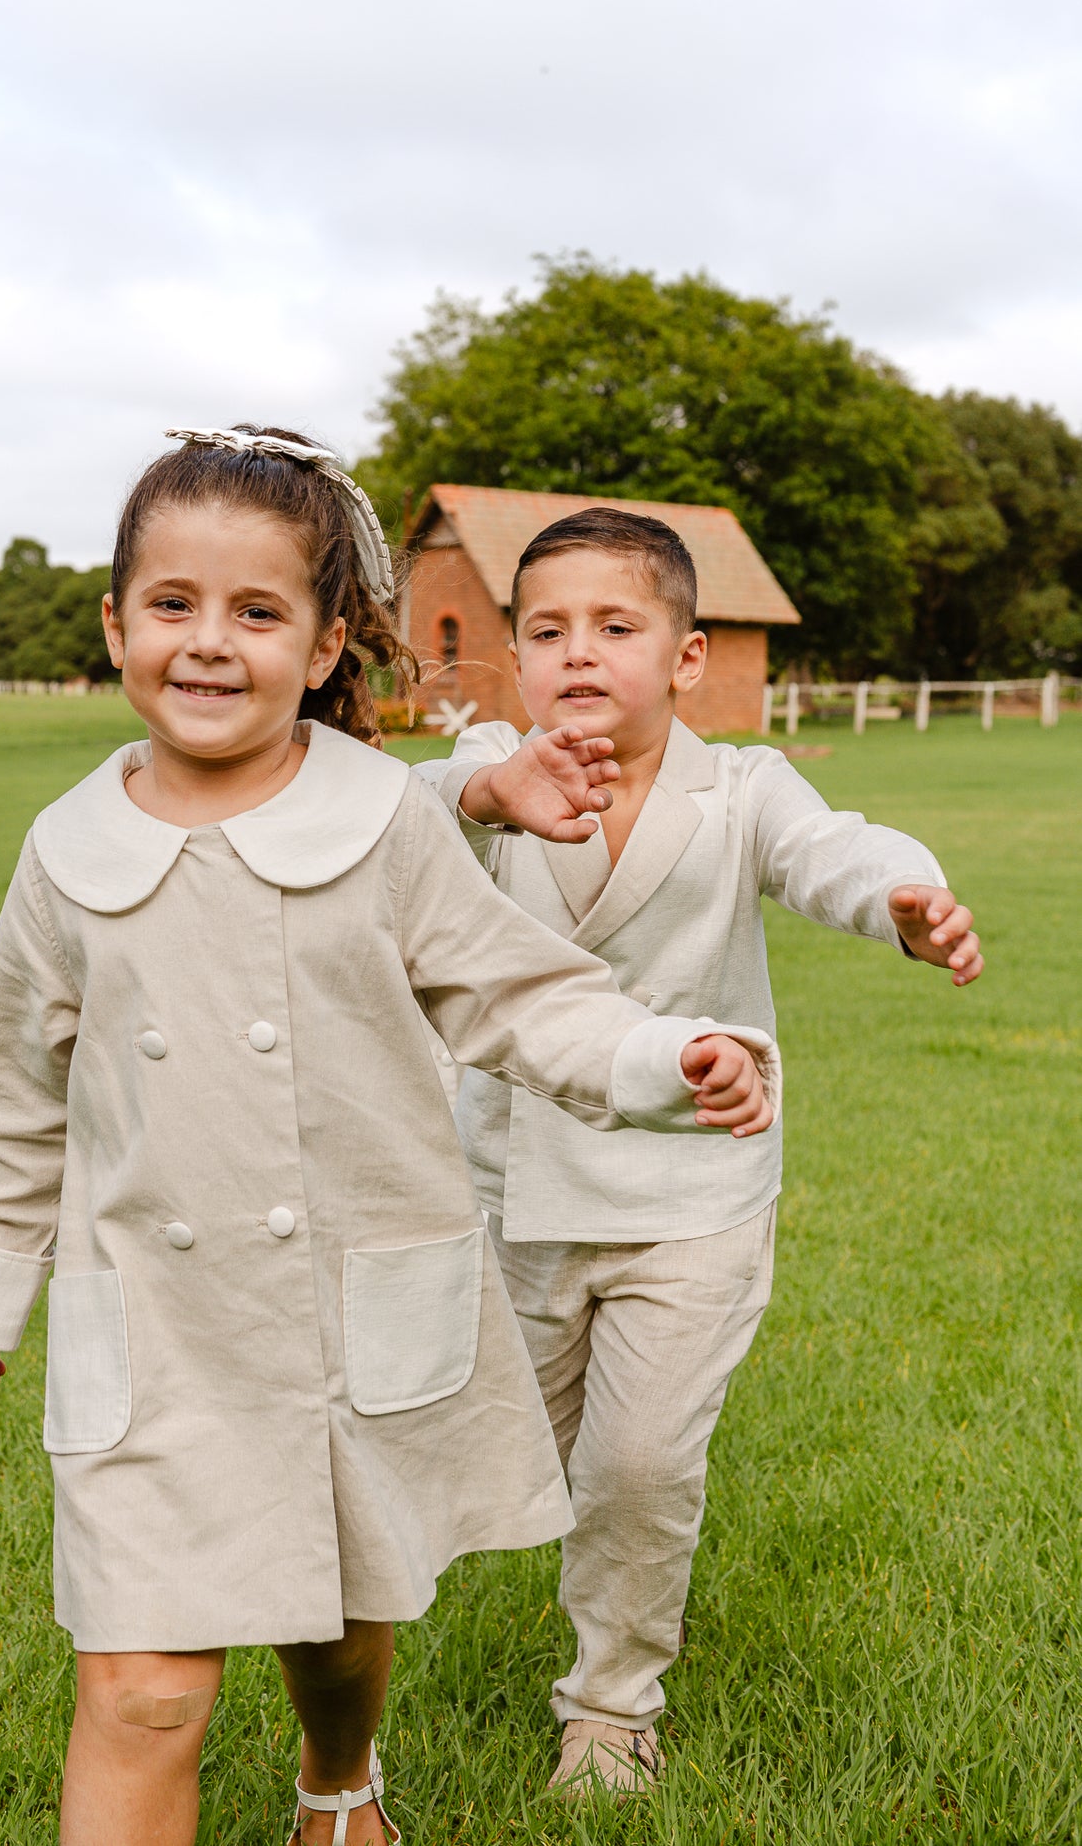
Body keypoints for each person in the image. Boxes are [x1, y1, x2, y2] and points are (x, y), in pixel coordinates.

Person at [0, 433, 779, 1846]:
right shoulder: (66, 850)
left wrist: (660, 1058)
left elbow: (521, 997)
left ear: (325, 644)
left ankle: (338, 1783)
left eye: (257, 611)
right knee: (144, 1694)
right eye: (173, 604)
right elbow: (13, 1086)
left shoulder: (378, 820)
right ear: (116, 626)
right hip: (153, 1327)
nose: (211, 642)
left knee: (334, 1620)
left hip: (340, 1306)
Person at [419, 503, 984, 1804]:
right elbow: (404, 817)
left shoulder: (741, 790)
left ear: (683, 658)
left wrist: (902, 899)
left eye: (614, 626)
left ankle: (610, 1704)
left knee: (638, 1466)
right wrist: (484, 791)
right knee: (496, 1455)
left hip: (693, 1195)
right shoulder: (487, 767)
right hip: (513, 1195)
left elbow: (835, 850)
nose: (576, 651)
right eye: (546, 630)